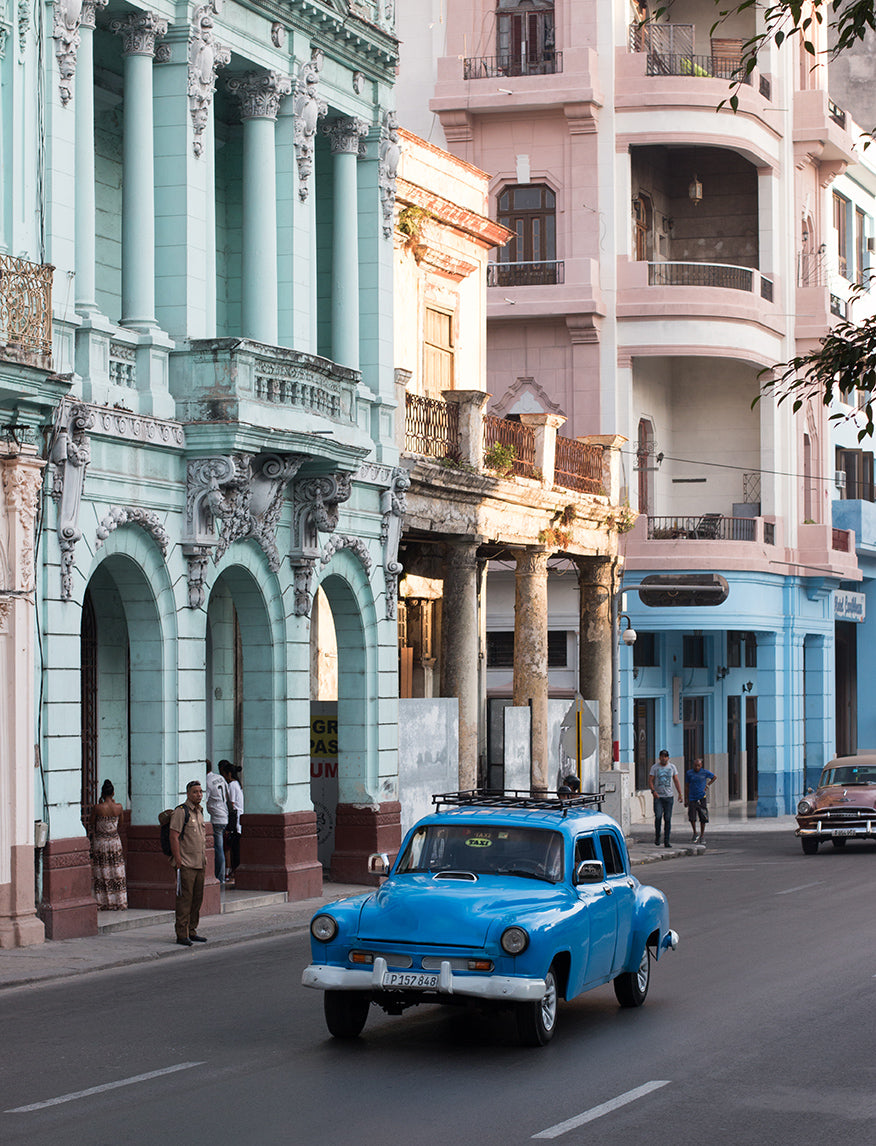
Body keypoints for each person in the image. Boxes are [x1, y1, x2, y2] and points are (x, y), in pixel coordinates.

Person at [170, 780, 207, 947]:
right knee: (185, 900)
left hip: (200, 863)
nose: (198, 794)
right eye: (195, 792)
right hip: (186, 863)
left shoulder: (200, 812)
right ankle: (181, 933)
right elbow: (174, 836)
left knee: (197, 900)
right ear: (188, 794)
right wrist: (178, 860)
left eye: (200, 792)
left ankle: (192, 930)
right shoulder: (181, 812)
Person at [89, 779, 127, 910]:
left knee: (102, 871)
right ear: (113, 793)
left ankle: (103, 901)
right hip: (115, 841)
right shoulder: (119, 807)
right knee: (116, 871)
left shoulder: (98, 808)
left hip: (101, 842)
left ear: (102, 793)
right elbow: (121, 824)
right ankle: (119, 901)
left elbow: (91, 822)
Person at [649, 749, 682, 848]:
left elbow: (676, 780)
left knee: (667, 818)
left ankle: (667, 840)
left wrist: (680, 794)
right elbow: (650, 780)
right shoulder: (655, 767)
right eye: (662, 756)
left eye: (665, 756)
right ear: (659, 758)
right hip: (658, 797)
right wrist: (653, 791)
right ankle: (657, 836)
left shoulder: (672, 767)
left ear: (668, 758)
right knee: (658, 816)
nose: (664, 758)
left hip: (669, 797)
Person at [204, 760, 230, 884]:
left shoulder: (207, 782)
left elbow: (204, 800)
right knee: (221, 848)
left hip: (216, 818)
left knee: (218, 848)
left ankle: (220, 877)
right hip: (224, 814)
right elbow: (228, 795)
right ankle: (222, 875)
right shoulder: (219, 778)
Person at [220, 760, 244, 881]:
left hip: (235, 821)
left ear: (229, 774)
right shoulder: (237, 784)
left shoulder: (232, 785)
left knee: (232, 848)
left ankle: (231, 871)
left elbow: (232, 805)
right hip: (238, 820)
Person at [685, 757, 717, 845]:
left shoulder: (704, 772)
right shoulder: (689, 773)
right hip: (692, 797)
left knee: (703, 816)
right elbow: (687, 786)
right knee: (692, 817)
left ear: (701, 765)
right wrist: (686, 798)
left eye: (698, 766)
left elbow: (714, 777)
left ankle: (702, 835)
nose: (697, 767)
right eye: (695, 766)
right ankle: (695, 832)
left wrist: (708, 785)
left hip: (701, 797)